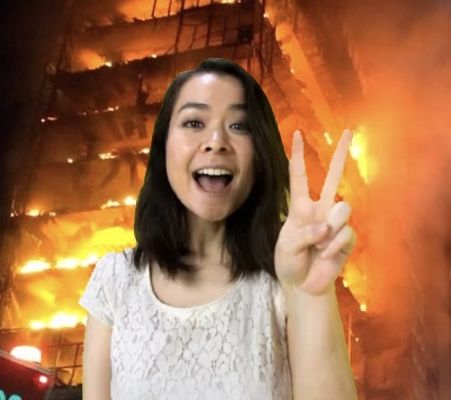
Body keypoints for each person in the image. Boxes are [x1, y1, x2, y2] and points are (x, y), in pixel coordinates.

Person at [79, 58, 358, 399]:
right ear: (164, 146)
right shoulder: (115, 280)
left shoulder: (283, 282)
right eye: (194, 122)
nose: (216, 141)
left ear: (260, 154)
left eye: (240, 126)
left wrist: (311, 293)